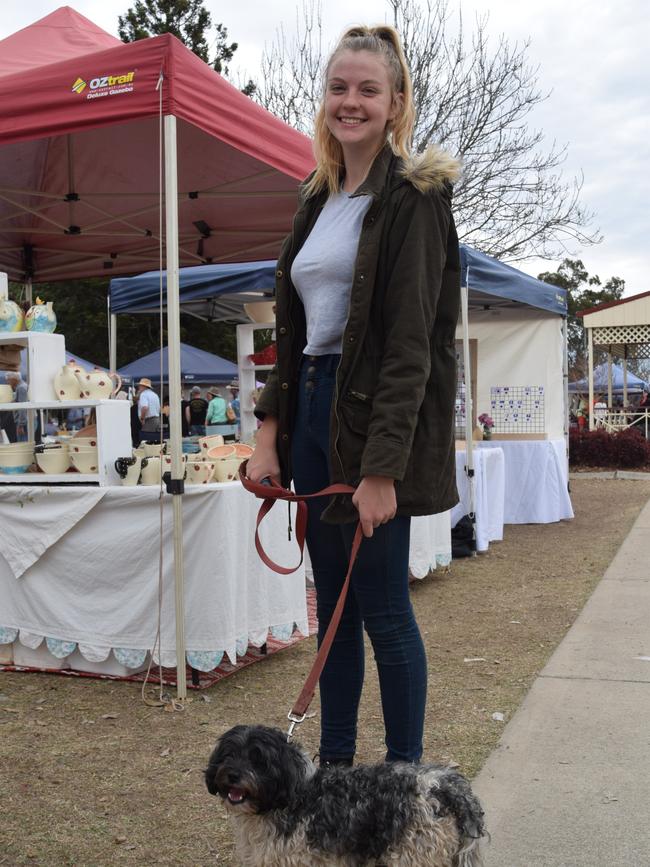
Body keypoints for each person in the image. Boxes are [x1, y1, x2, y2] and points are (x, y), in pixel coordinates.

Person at [247, 25, 461, 767]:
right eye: (339, 87)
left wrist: (382, 468)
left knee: (384, 611)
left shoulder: (415, 200)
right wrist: (268, 431)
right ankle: (335, 776)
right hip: (310, 407)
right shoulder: (317, 199)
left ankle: (406, 787)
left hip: (369, 419)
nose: (351, 101)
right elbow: (294, 329)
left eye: (369, 89)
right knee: (329, 614)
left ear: (397, 103)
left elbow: (412, 349)